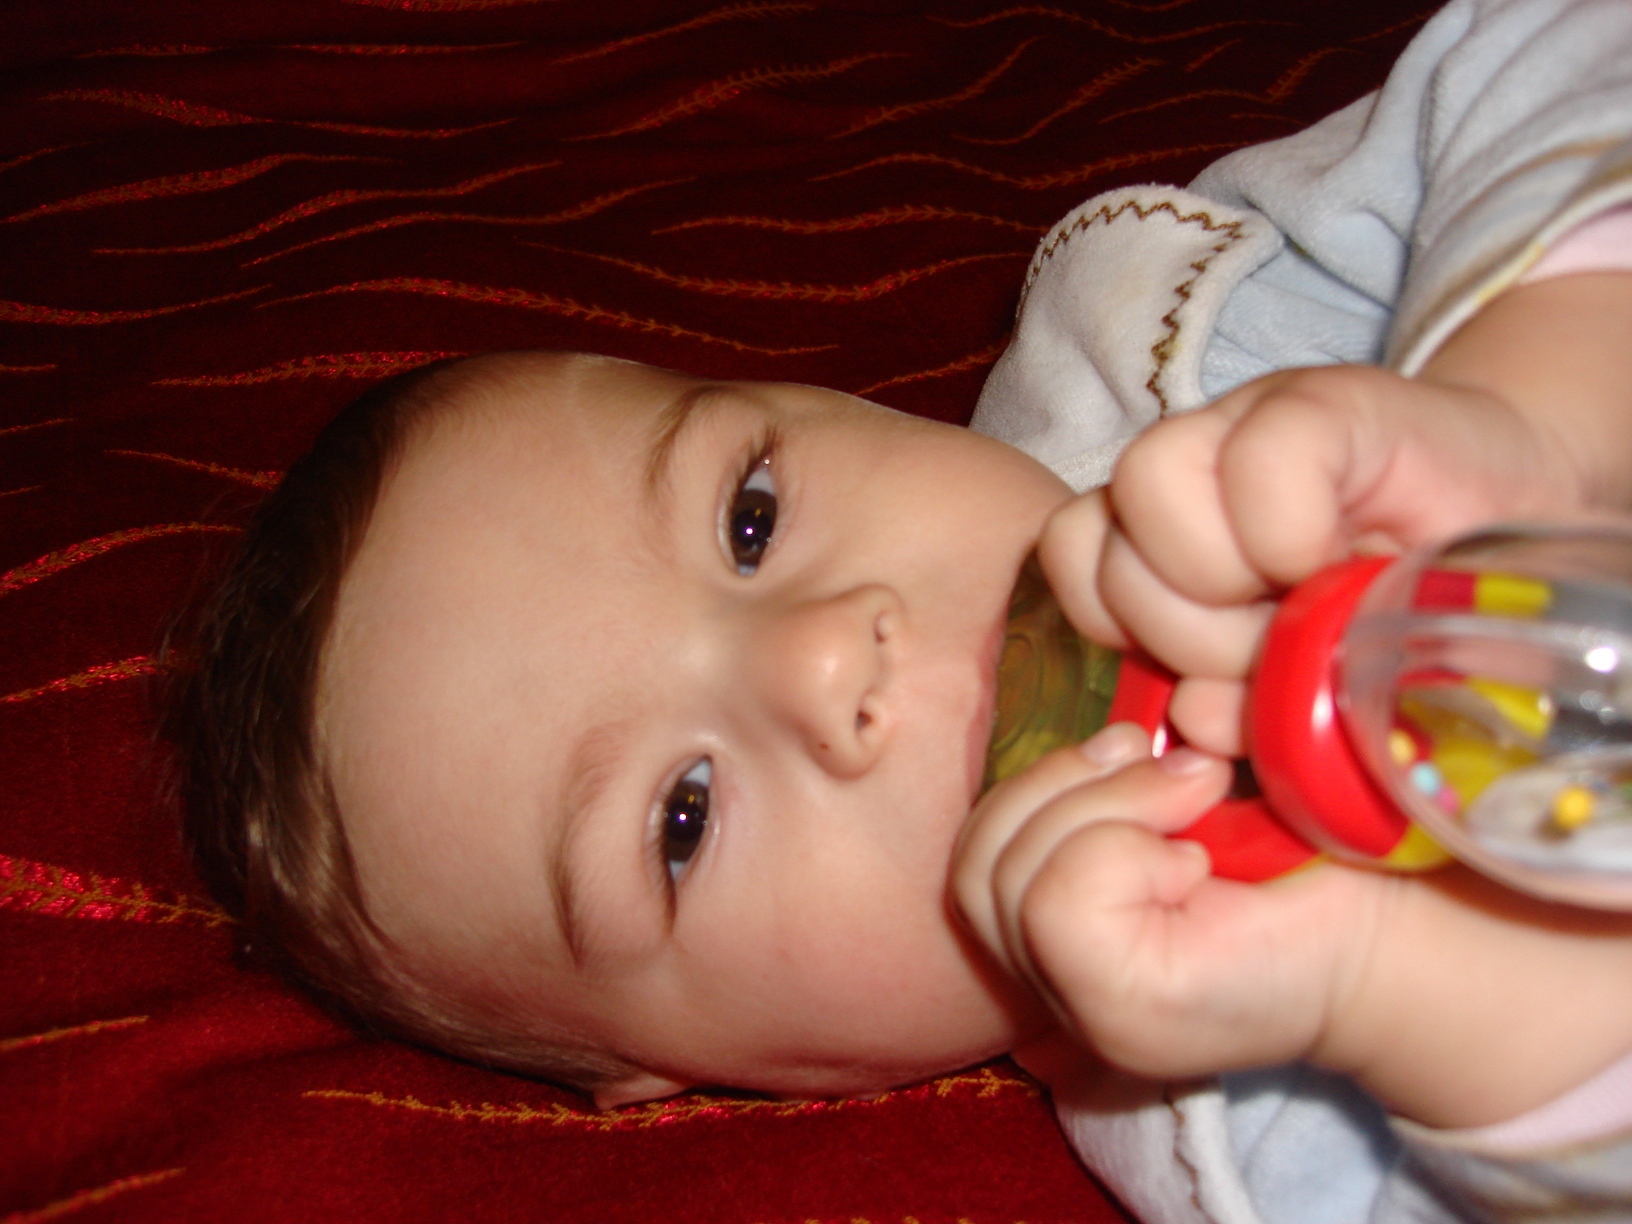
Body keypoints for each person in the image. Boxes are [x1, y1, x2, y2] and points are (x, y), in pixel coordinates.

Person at [166, 0, 1632, 1219]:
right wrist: (1416, 987)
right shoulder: (1238, 1109)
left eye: (750, 518)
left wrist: (1532, 396)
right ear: (717, 1077)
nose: (819, 656)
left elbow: (1549, 49)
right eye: (681, 819)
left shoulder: (1169, 333)